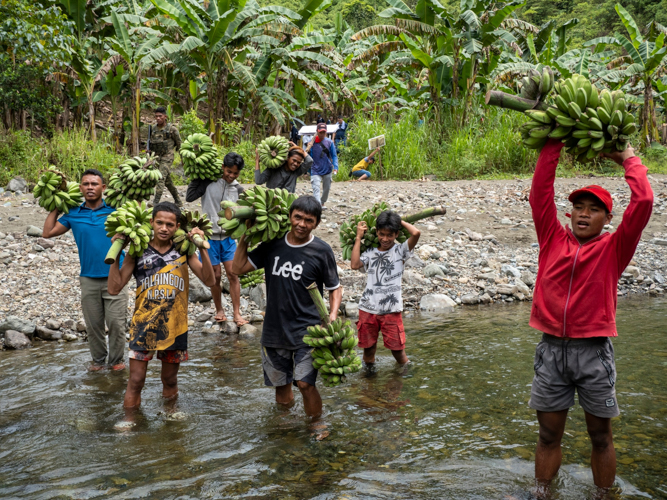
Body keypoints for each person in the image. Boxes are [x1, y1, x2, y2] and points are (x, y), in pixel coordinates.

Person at [527, 139, 653, 497]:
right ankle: (542, 492)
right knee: (548, 434)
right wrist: (554, 142)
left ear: (607, 219)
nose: (584, 213)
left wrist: (628, 159)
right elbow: (540, 193)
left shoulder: (615, 248)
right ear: (569, 214)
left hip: (593, 353)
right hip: (551, 351)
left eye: (594, 209)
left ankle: (603, 495)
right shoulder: (551, 238)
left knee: (600, 436)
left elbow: (643, 203)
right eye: (578, 207)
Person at [232, 195, 342, 420]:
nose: (302, 224)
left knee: (304, 383)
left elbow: (335, 288)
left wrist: (331, 314)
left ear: (317, 224)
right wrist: (246, 235)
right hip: (274, 329)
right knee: (281, 387)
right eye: (298, 217)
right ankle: (286, 426)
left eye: (309, 220)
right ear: (290, 216)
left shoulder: (321, 250)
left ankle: (316, 424)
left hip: (308, 331)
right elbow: (238, 267)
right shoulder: (273, 244)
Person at [108, 202, 215, 426]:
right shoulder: (139, 250)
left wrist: (202, 247)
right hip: (142, 325)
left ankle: (170, 411)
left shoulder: (184, 250)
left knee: (169, 379)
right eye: (159, 223)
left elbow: (210, 280)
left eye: (170, 224)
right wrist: (117, 252)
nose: (164, 228)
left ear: (177, 227)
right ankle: (129, 419)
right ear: (151, 223)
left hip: (175, 326)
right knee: (136, 380)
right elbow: (114, 288)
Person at [42, 169, 129, 371]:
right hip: (88, 278)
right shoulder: (73, 213)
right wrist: (57, 205)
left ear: (103, 188)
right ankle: (98, 361)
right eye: (86, 184)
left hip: (115, 277)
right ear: (80, 188)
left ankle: (116, 361)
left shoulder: (116, 210)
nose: (90, 187)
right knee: (93, 325)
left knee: (116, 324)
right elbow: (47, 233)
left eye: (94, 184)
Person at [350, 211, 420, 369]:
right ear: (376, 232)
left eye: (390, 235)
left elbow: (416, 233)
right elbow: (354, 265)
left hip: (391, 309)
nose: (385, 239)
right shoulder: (370, 252)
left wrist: (399, 220)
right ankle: (370, 381)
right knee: (368, 352)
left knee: (398, 352)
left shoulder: (400, 251)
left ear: (396, 234)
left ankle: (402, 380)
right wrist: (358, 237)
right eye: (381, 234)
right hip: (368, 308)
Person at [186, 152, 247, 326]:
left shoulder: (238, 189)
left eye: (235, 173)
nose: (231, 176)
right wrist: (198, 177)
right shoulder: (208, 183)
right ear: (222, 167)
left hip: (228, 238)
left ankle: (236, 313)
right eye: (228, 171)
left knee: (233, 274)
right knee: (215, 275)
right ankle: (219, 309)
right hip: (210, 237)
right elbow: (189, 197)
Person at [150, 106, 182, 207]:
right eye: (156, 116)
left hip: (168, 157)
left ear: (165, 117)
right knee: (167, 181)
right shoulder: (153, 129)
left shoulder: (172, 129)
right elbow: (151, 143)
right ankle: (178, 200)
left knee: (160, 177)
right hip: (157, 157)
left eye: (160, 116)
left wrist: (183, 159)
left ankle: (155, 202)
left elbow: (180, 144)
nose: (158, 118)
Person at [305, 123, 338, 209]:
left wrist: (336, 167)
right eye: (320, 132)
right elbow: (308, 157)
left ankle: (322, 201)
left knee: (326, 188)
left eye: (324, 132)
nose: (322, 134)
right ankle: (318, 205)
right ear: (317, 132)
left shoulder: (329, 142)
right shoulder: (311, 143)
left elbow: (334, 156)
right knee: (316, 188)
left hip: (327, 168)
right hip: (315, 169)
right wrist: (308, 149)